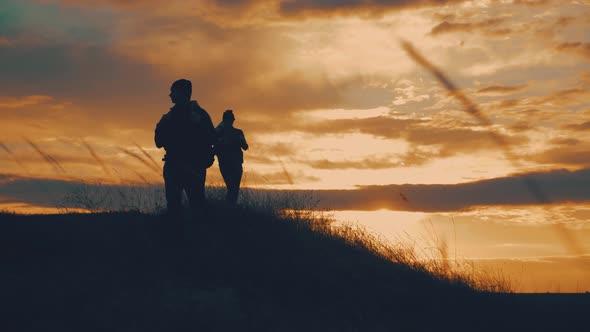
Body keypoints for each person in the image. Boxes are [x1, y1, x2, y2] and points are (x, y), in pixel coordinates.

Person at [154, 79, 215, 219]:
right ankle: (178, 236)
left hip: (192, 167)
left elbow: (212, 137)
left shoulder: (199, 115)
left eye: (173, 91)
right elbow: (158, 142)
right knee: (176, 207)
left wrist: (198, 124)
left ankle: (195, 237)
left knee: (196, 207)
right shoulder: (169, 117)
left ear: (182, 93)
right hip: (176, 166)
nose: (170, 95)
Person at [214, 110, 248, 205]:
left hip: (235, 164)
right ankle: (230, 208)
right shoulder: (219, 133)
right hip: (226, 164)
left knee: (233, 188)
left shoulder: (237, 133)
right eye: (228, 120)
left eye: (230, 120)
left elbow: (245, 146)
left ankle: (230, 208)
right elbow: (214, 148)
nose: (230, 122)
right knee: (232, 188)